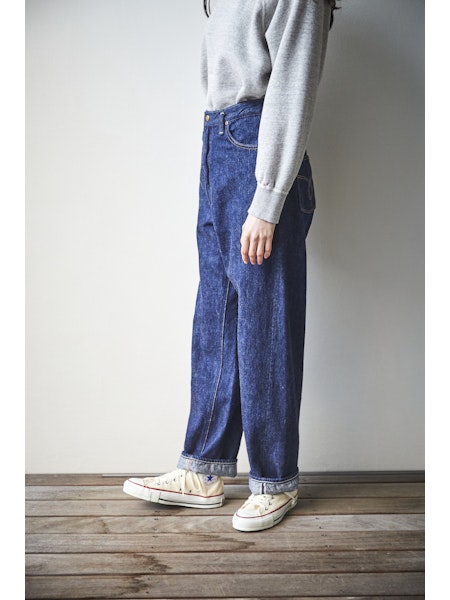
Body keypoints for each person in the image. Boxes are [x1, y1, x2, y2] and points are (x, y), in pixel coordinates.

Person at [124, 0, 335, 532]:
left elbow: (292, 87)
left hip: (258, 146)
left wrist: (268, 199)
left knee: (267, 325)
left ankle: (275, 480)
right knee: (216, 317)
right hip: (217, 142)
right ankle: (203, 468)